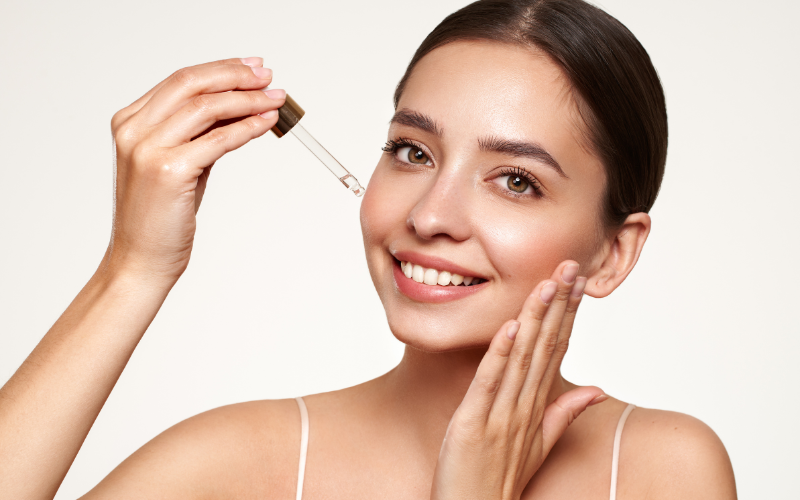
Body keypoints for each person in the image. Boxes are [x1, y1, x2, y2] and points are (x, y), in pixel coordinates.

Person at [0, 0, 737, 498]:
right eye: (412, 152)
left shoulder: (658, 468)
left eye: (515, 180)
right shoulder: (232, 463)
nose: (432, 214)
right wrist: (133, 269)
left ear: (614, 252)